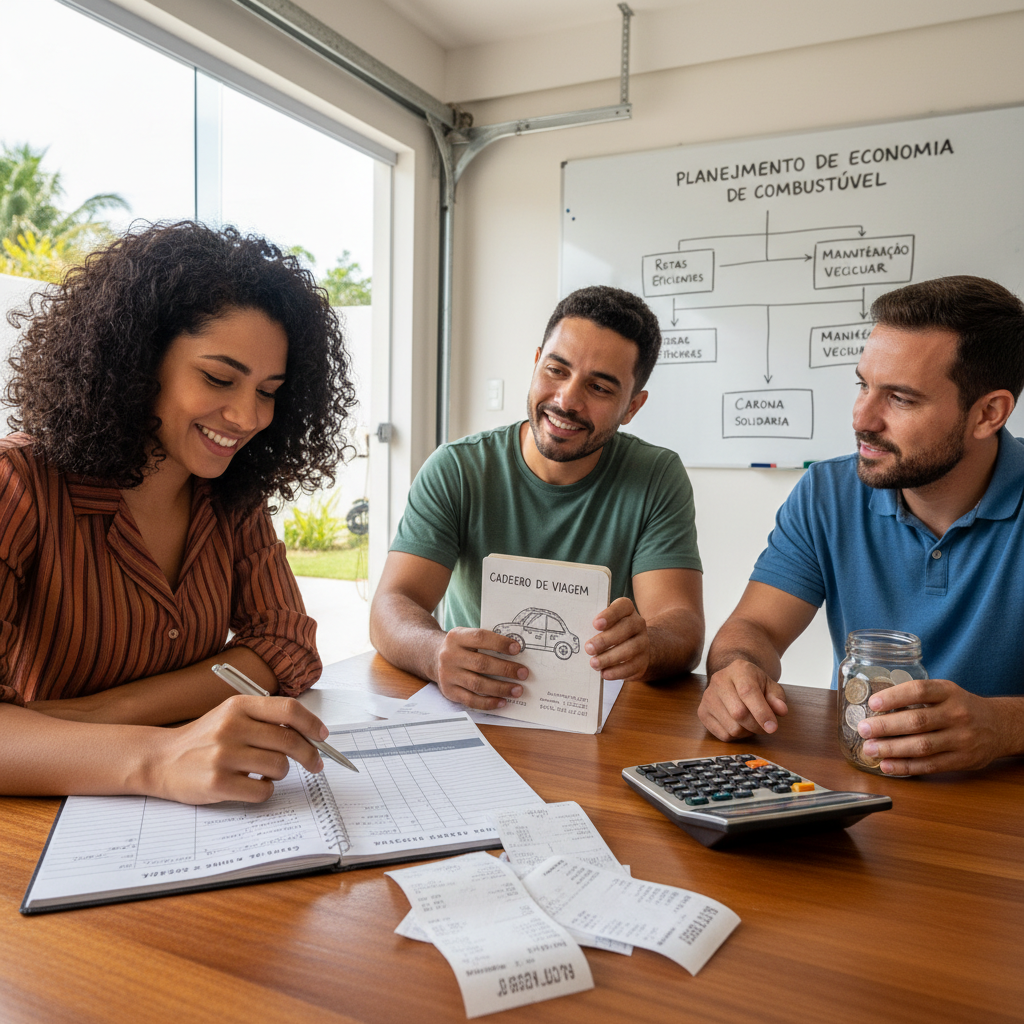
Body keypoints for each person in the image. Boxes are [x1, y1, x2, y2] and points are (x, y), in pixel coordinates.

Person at [0, 221, 355, 803]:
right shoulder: (18, 484)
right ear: (139, 360)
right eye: (219, 378)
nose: (247, 417)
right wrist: (157, 757)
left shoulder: (231, 494)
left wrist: (98, 715)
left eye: (268, 391)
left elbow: (286, 644)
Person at [700, 275, 1024, 775]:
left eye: (901, 398)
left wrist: (1004, 726)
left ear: (989, 413)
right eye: (863, 384)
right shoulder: (827, 492)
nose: (861, 418)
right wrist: (736, 671)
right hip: (861, 782)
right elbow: (755, 627)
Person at [370, 285, 704, 709]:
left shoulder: (656, 477)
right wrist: (435, 654)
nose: (566, 400)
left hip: (593, 715)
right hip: (472, 712)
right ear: (535, 364)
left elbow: (682, 626)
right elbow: (392, 604)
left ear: (632, 407)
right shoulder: (457, 468)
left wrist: (648, 645)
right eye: (556, 370)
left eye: (600, 388)